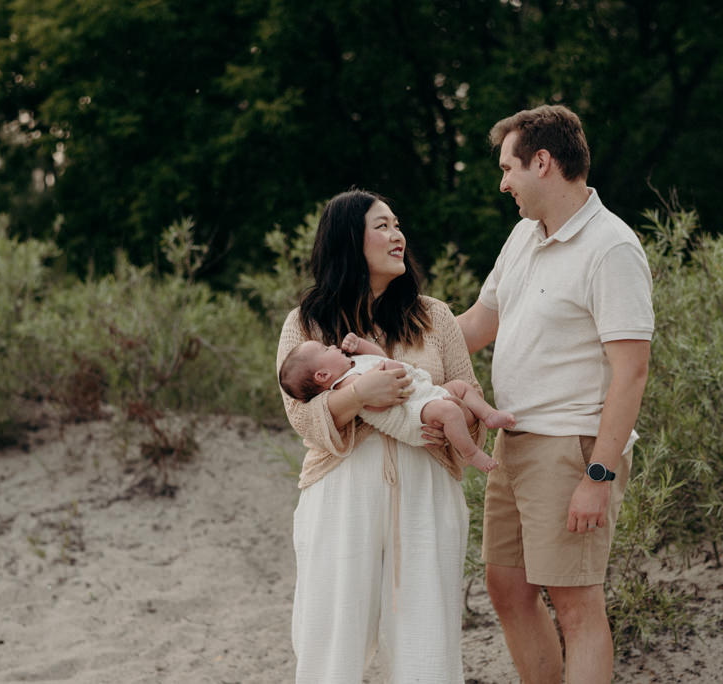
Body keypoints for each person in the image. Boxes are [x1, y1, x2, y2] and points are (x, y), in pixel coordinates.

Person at [456, 104, 654, 683]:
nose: (503, 182)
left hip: (571, 449)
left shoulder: (611, 247)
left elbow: (632, 372)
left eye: (507, 168)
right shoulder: (523, 236)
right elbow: (474, 327)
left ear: (542, 162)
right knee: (507, 589)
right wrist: (388, 327)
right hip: (510, 442)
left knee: (576, 604)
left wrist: (598, 476)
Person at [277, 188, 487, 683]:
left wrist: (448, 414)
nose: (398, 235)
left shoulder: (435, 317)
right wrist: (361, 394)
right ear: (350, 240)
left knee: (426, 647)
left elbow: (472, 399)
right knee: (331, 645)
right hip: (340, 496)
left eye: (397, 224)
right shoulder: (306, 323)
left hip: (427, 493)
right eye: (383, 226)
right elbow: (300, 416)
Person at [278, 334, 515, 473]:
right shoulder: (347, 382)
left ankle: (488, 414)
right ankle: (471, 453)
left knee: (461, 388)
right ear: (322, 375)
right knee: (448, 410)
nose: (332, 345)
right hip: (411, 414)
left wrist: (360, 344)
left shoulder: (353, 364)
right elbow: (376, 406)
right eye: (325, 349)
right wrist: (374, 384)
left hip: (425, 394)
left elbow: (379, 356)